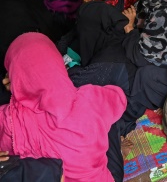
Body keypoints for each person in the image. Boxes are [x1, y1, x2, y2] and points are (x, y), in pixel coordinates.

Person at [0, 33, 126, 182]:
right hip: (102, 177)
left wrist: (18, 88)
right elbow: (120, 99)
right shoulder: (88, 100)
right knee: (104, 122)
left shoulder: (8, 121)